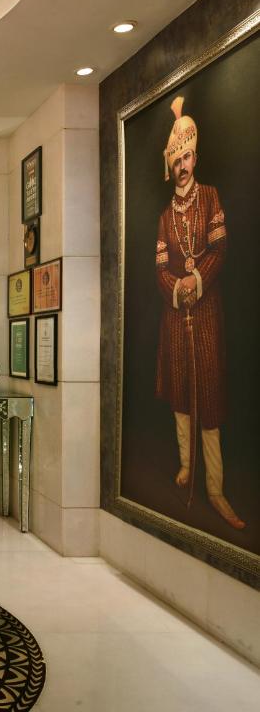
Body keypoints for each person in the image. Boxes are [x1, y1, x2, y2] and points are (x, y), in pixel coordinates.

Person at [154, 96, 245, 529]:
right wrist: (176, 287)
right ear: (170, 164)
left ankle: (215, 487)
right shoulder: (163, 216)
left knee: (208, 395)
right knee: (180, 393)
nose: (183, 165)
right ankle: (187, 465)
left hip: (206, 316)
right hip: (177, 319)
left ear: (196, 156)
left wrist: (196, 281)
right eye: (177, 159)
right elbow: (158, 269)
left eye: (188, 156)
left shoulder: (210, 197)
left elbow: (221, 248)